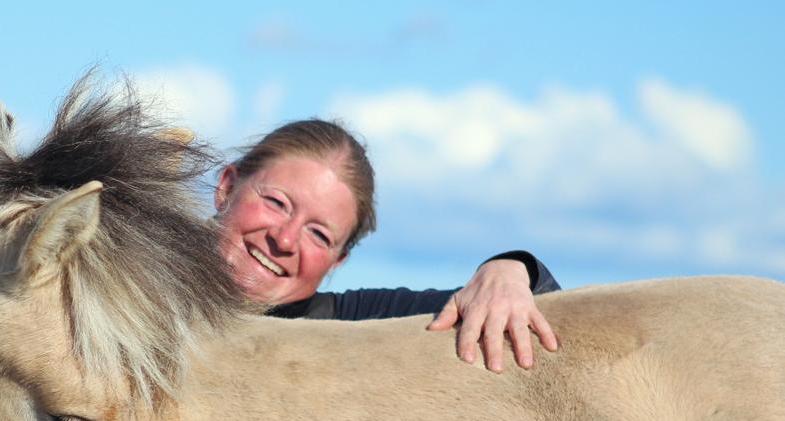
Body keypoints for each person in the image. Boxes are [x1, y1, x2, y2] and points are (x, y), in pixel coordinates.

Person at [213, 119, 561, 373]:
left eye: (318, 234)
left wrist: (509, 271)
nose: (285, 239)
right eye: (276, 203)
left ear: (338, 260)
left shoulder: (350, 322)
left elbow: (552, 310)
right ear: (227, 187)